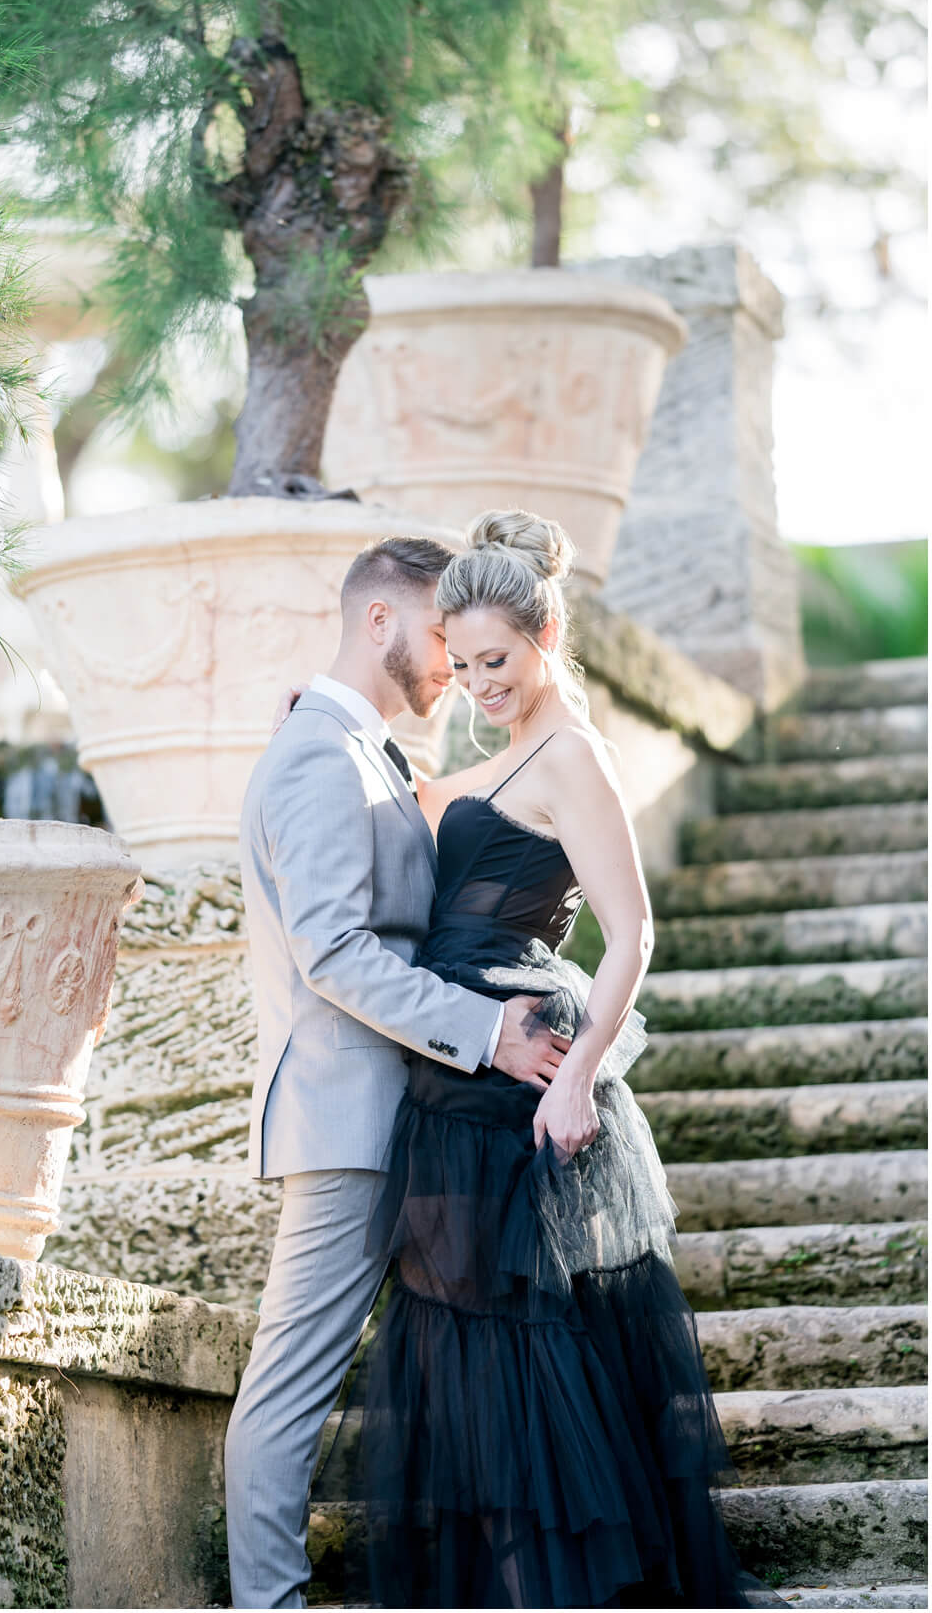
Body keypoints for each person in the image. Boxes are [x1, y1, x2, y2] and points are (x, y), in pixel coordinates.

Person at [316, 508, 787, 1609]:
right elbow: (441, 812)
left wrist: (578, 1078)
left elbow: (635, 934)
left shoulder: (573, 754)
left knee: (523, 1359)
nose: (478, 682)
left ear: (549, 633)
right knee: (462, 1362)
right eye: (463, 662)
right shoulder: (507, 750)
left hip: (522, 1090)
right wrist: (340, 724)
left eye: (498, 660)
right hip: (452, 1076)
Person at [224, 534, 571, 1611]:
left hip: (405, 1119)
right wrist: (489, 1031)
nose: (454, 670)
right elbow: (334, 953)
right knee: (286, 1397)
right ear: (378, 622)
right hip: (346, 1121)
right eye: (438, 640)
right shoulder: (316, 756)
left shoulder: (352, 749)